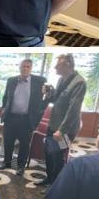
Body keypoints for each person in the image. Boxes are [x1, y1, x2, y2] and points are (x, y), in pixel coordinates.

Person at [39, 54, 86, 186]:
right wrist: (49, 93)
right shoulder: (61, 79)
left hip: (65, 129)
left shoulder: (79, 82)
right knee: (48, 152)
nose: (55, 67)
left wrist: (62, 130)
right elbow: (56, 100)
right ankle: (49, 179)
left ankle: (55, 185)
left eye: (58, 65)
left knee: (58, 157)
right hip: (53, 124)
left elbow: (73, 109)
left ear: (67, 65)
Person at [0, 58, 47, 174]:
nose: (25, 68)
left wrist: (39, 112)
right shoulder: (11, 80)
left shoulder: (40, 81)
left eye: (28, 67)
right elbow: (6, 97)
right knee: (8, 142)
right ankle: (6, 162)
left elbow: (47, 98)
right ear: (19, 67)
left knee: (24, 145)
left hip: (26, 120)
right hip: (10, 118)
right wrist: (3, 109)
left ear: (31, 68)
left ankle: (21, 166)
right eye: (23, 66)